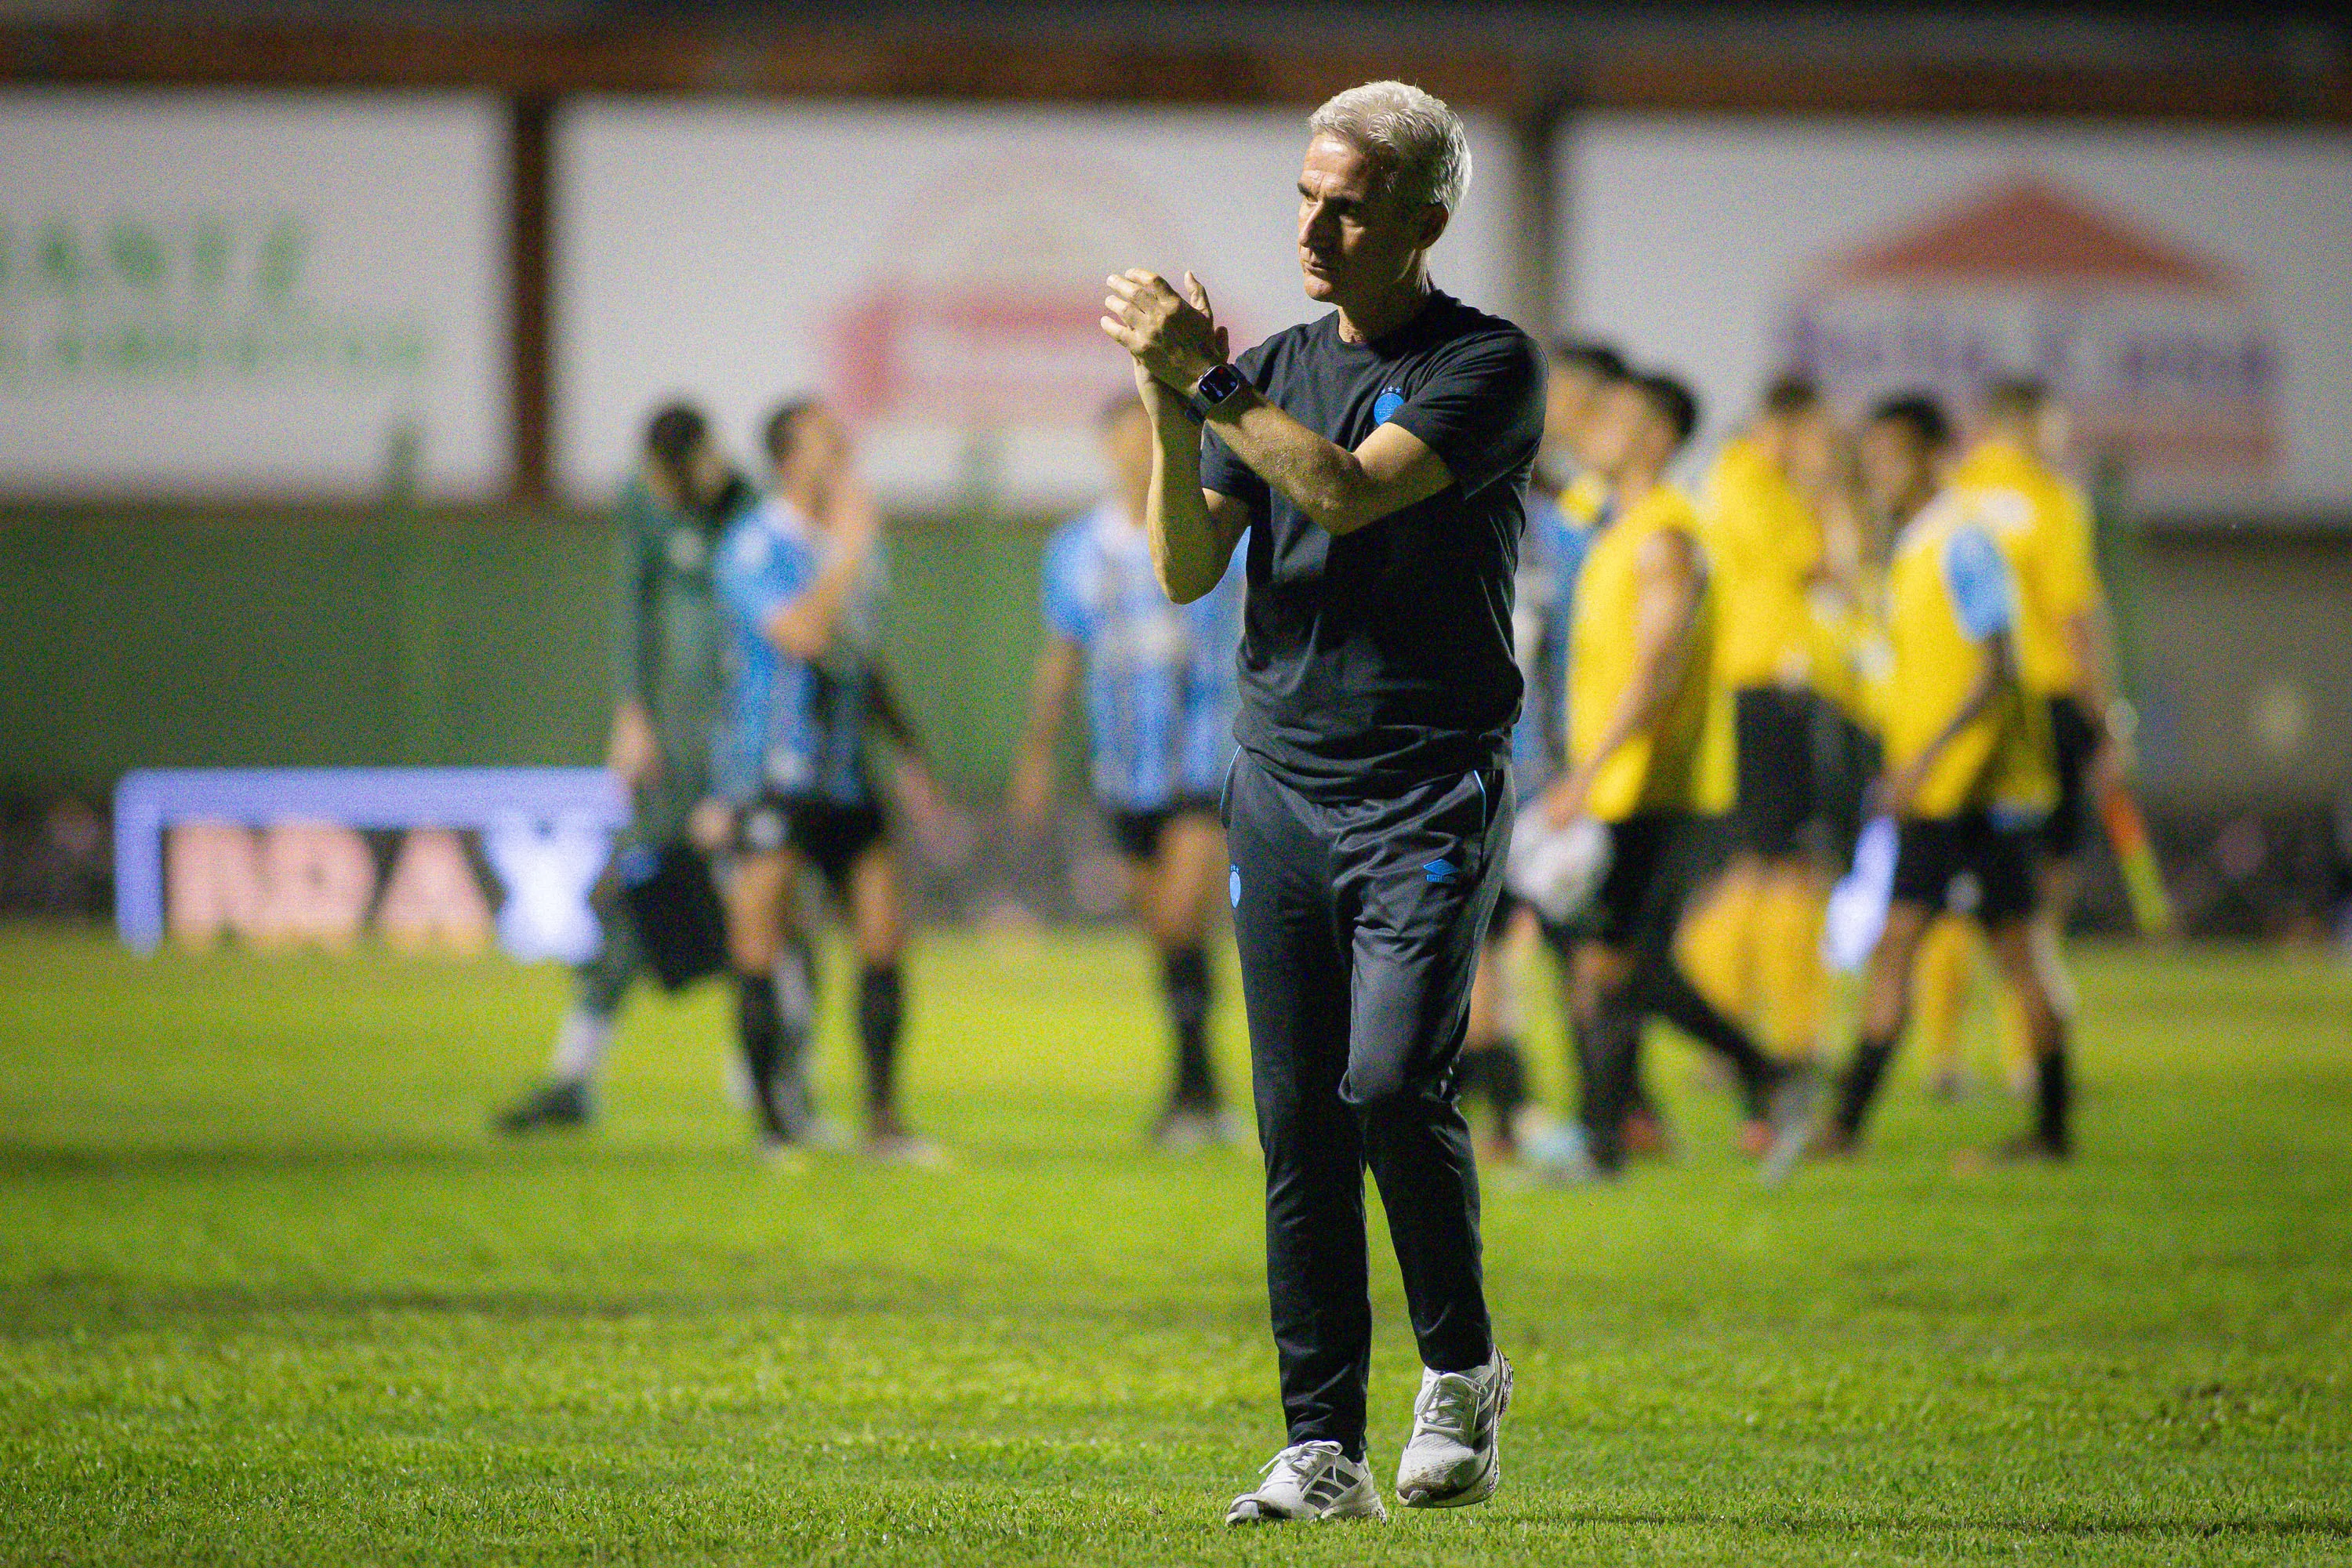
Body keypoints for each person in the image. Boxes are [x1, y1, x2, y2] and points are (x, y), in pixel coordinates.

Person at [1101, 79, 1530, 1525]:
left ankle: (1461, 1369)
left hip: (1424, 788)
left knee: (1391, 1084)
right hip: (1280, 786)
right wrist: (1171, 399)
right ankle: (1320, 1446)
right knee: (1298, 1125)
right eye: (1305, 197)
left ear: (1426, 218)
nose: (1315, 227)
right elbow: (1184, 570)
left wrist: (1215, 387)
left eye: (1349, 206)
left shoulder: (1486, 367)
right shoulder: (1273, 367)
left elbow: (1344, 490)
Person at [1535, 372, 1812, 1181]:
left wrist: (1588, 769)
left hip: (1653, 783)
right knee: (1611, 963)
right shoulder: (1620, 528)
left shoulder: (1665, 533)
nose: (1595, 427)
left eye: (1615, 416)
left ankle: (1750, 1081)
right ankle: (1614, 1135)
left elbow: (1657, 667)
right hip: (1621, 782)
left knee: (1615, 965)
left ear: (1656, 436)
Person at [1815, 394, 2074, 1163]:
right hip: (1941, 789)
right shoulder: (1916, 545)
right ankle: (1851, 1125)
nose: (1878, 471)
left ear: (1932, 456)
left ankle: (2043, 1129)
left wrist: (1926, 758)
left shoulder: (1965, 540)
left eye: (1890, 456)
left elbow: (1997, 663)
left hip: (1975, 789)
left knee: (2001, 954)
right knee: (1916, 946)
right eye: (1871, 457)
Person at [495, 403, 754, 1134]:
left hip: (743, 748)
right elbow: (630, 612)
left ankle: (764, 1083)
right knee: (637, 896)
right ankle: (573, 1076)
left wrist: (744, 759)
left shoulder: (751, 514)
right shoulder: (645, 505)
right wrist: (633, 713)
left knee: (762, 905)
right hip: (671, 746)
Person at [1008, 391, 1245, 1150]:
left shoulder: (1218, 527)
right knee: (1167, 938)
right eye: (1123, 438)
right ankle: (1198, 1089)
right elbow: (1063, 652)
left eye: (1148, 435)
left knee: (1182, 914)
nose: (1136, 451)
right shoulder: (1076, 549)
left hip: (1203, 758)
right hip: (1122, 769)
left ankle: (1194, 1091)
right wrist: (1038, 752)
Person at [710, 398, 942, 1164]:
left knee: (883, 933)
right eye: (822, 441)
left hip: (847, 773)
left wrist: (907, 748)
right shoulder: (755, 544)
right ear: (785, 458)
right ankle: (774, 1125)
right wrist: (846, 556)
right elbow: (802, 635)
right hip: (775, 771)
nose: (839, 451)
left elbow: (861, 659)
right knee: (759, 936)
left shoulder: (849, 545)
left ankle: (883, 1120)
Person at [1911, 379, 2121, 1098]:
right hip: (2043, 709)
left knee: (1943, 893)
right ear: (2029, 424)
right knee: (2035, 900)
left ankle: (1941, 1056)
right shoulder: (2053, 499)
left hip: (1959, 709)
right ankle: (2026, 1059)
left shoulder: (1952, 496)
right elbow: (2075, 616)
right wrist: (2103, 718)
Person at [1457, 337, 1618, 1160]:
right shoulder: (1445, 529)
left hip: (1552, 782)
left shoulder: (1571, 537)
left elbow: (1596, 657)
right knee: (1477, 956)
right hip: (1467, 780)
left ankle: (1599, 1118)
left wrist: (1588, 769)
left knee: (1580, 952)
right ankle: (1513, 1117)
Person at [1679, 377, 1840, 1079]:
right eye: (1816, 434)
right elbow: (1823, 564)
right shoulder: (1749, 482)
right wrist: (1824, 492)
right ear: (1785, 424)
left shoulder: (1741, 480)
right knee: (1774, 866)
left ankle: (1745, 1035)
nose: (1823, 448)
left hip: (1768, 690)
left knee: (1765, 864)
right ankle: (1758, 1034)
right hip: (1763, 690)